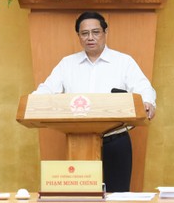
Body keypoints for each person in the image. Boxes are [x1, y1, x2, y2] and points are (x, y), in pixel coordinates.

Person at [33, 11, 156, 192]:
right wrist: (33, 103)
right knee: (81, 199)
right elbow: (46, 90)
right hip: (78, 142)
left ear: (105, 33)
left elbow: (144, 87)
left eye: (95, 32)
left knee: (117, 199)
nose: (90, 37)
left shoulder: (123, 62)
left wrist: (148, 102)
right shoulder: (67, 64)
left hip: (116, 139)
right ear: (79, 37)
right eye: (84, 33)